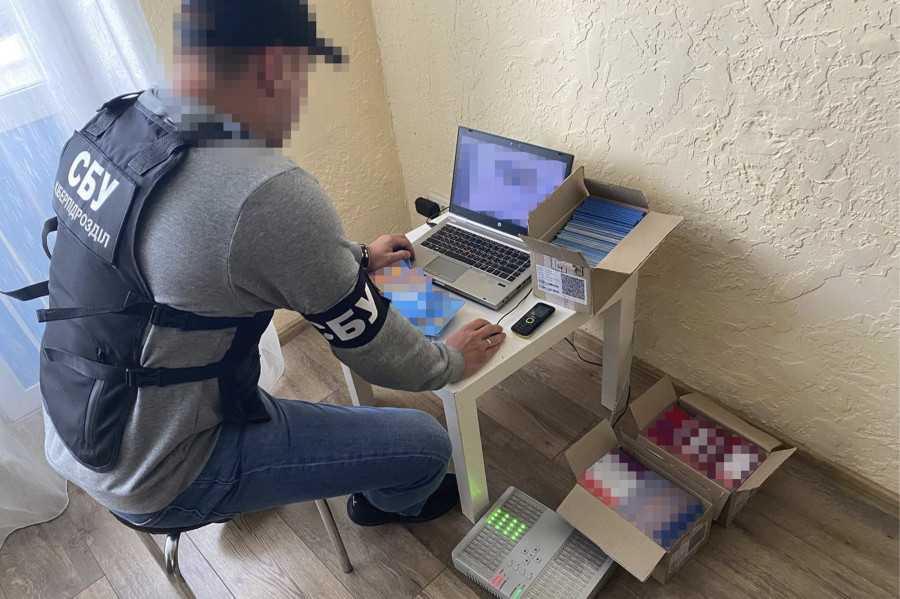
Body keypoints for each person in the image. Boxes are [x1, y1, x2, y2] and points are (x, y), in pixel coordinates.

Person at [42, 0, 506, 529]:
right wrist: (452, 361)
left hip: (80, 420)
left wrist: (356, 258)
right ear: (269, 68)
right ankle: (383, 504)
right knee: (426, 443)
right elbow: (377, 352)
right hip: (161, 468)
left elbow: (198, 258)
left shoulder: (115, 127)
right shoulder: (265, 190)